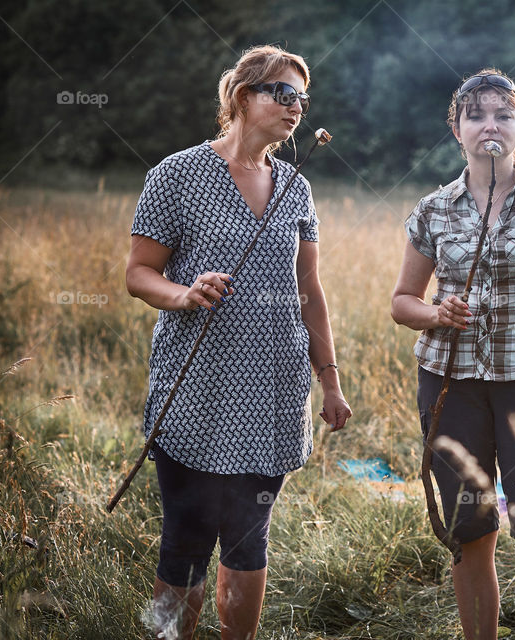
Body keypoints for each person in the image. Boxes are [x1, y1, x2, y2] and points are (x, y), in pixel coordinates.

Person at [126, 45, 351, 640]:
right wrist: (184, 293)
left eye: (303, 98)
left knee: (249, 539)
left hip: (275, 392)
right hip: (196, 389)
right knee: (185, 539)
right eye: (284, 93)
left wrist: (329, 380)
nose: (297, 107)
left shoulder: (295, 187)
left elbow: (309, 290)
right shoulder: (177, 174)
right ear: (243, 96)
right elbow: (139, 273)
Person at [391, 69, 515, 640]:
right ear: (457, 129)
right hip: (450, 384)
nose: (490, 125)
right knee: (470, 528)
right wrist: (437, 313)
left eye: (504, 115)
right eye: (476, 115)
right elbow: (402, 302)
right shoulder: (434, 210)